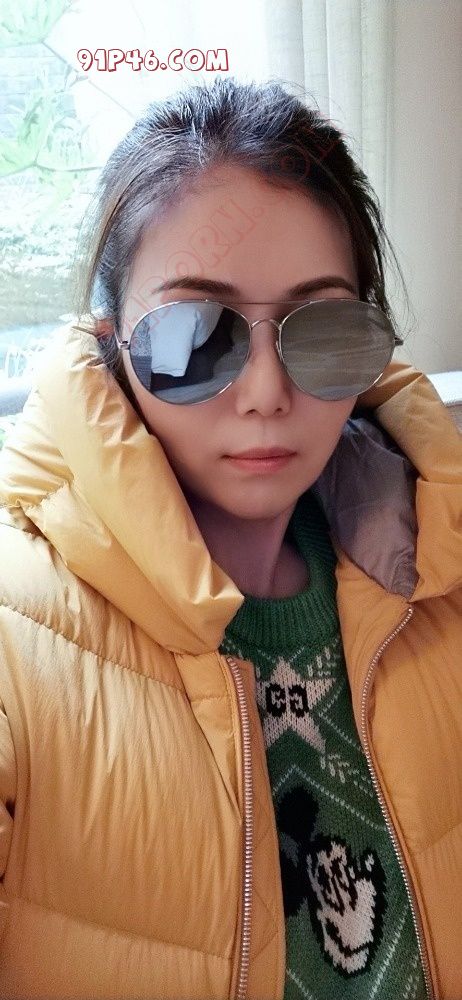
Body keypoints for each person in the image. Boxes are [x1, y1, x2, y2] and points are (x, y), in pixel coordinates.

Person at [0, 76, 460, 1000]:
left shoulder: (437, 576)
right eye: (194, 335)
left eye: (321, 332)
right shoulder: (18, 636)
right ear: (112, 347)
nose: (264, 394)